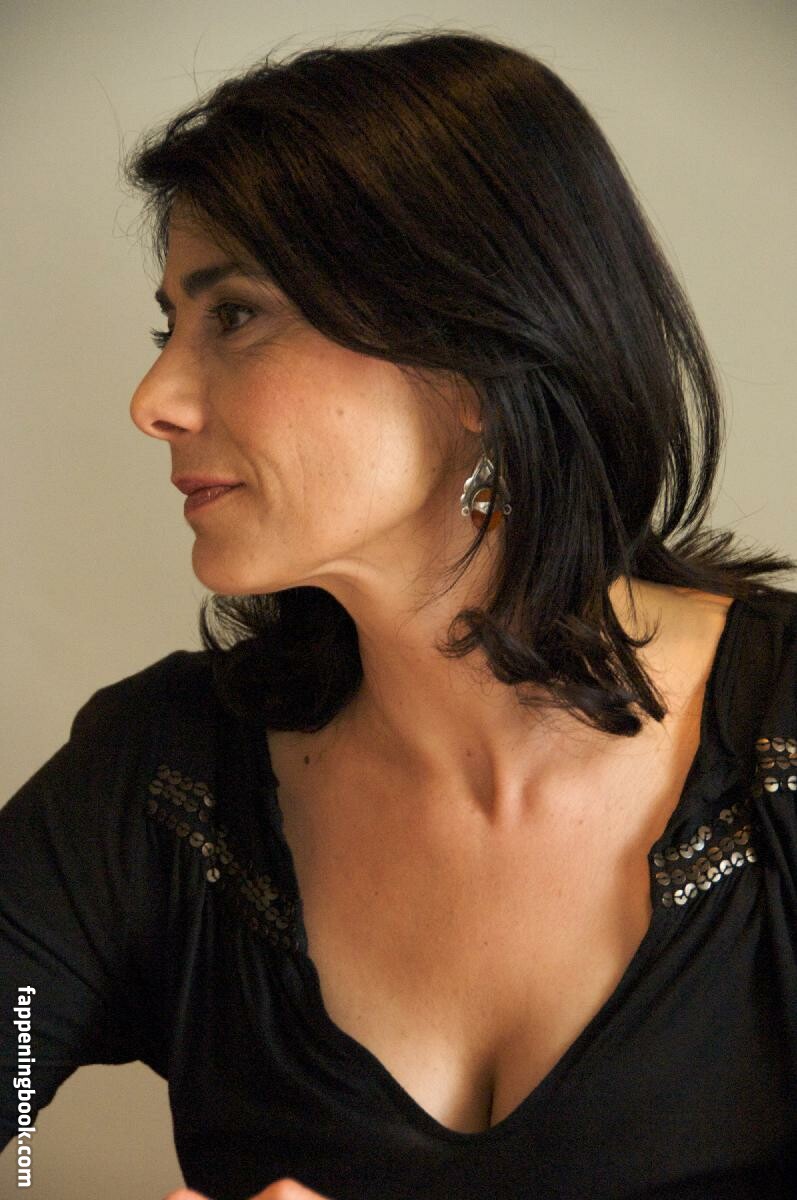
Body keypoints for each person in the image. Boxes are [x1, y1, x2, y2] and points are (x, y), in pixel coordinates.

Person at [1, 27, 796, 1200]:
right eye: (170, 328)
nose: (154, 399)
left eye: (235, 317)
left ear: (469, 362)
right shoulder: (161, 780)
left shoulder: (780, 739)